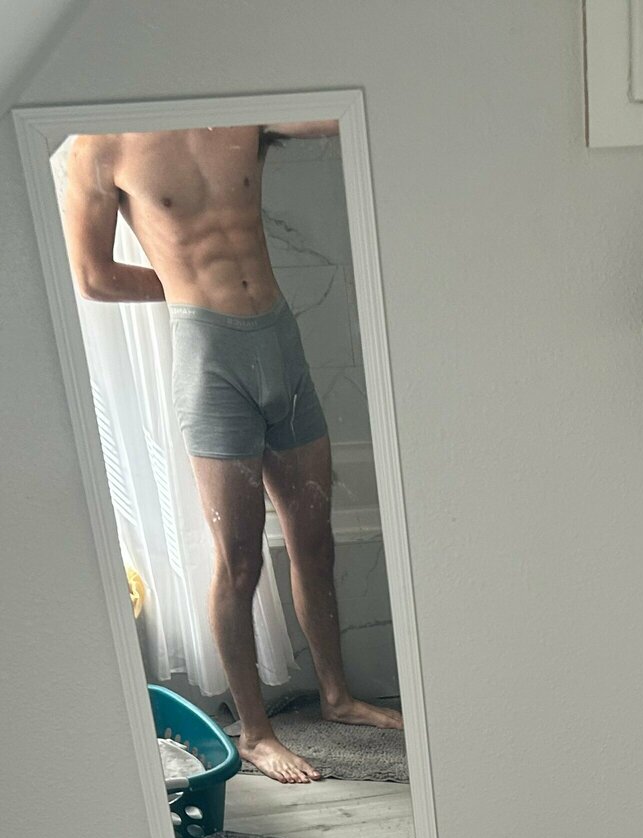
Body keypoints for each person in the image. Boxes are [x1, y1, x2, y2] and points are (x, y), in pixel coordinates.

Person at [64, 123, 401, 783]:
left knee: (315, 542)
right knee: (239, 560)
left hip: (280, 340)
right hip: (210, 357)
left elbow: (343, 108)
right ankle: (255, 733)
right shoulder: (99, 145)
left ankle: (336, 697)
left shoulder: (240, 113)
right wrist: (182, 284)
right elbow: (93, 277)